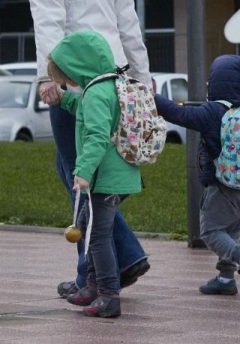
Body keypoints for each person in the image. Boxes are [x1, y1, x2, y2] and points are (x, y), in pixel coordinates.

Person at [25, 0, 151, 298]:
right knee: (85, 170)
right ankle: (117, 261)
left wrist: (49, 77)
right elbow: (127, 21)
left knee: (80, 176)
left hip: (75, 77)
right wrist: (142, 79)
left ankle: (95, 275)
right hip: (115, 76)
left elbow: (49, 16)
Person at [48, 31, 143, 318]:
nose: (69, 81)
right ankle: (91, 286)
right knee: (88, 231)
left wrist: (83, 172)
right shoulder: (106, 86)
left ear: (78, 66)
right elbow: (85, 110)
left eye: (66, 74)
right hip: (114, 176)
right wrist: (64, 99)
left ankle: (108, 296)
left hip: (104, 179)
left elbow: (97, 136)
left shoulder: (96, 93)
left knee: (99, 238)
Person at [154, 55, 240, 295]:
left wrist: (152, 98)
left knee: (212, 232)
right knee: (230, 233)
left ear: (216, 83)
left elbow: (180, 115)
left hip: (220, 186)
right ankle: (226, 280)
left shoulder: (213, 111)